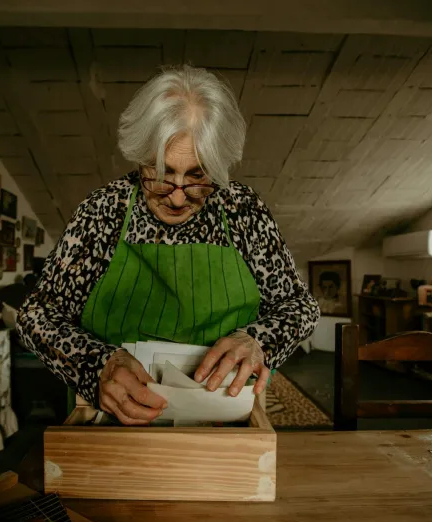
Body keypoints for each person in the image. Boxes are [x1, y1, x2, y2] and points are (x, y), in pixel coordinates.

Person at [18, 65, 320, 425]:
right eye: (161, 175)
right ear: (140, 156)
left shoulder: (243, 210)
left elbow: (300, 307)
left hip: (224, 420)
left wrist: (257, 341)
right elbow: (37, 314)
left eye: (197, 176)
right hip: (114, 421)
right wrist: (98, 364)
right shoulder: (103, 211)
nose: (178, 198)